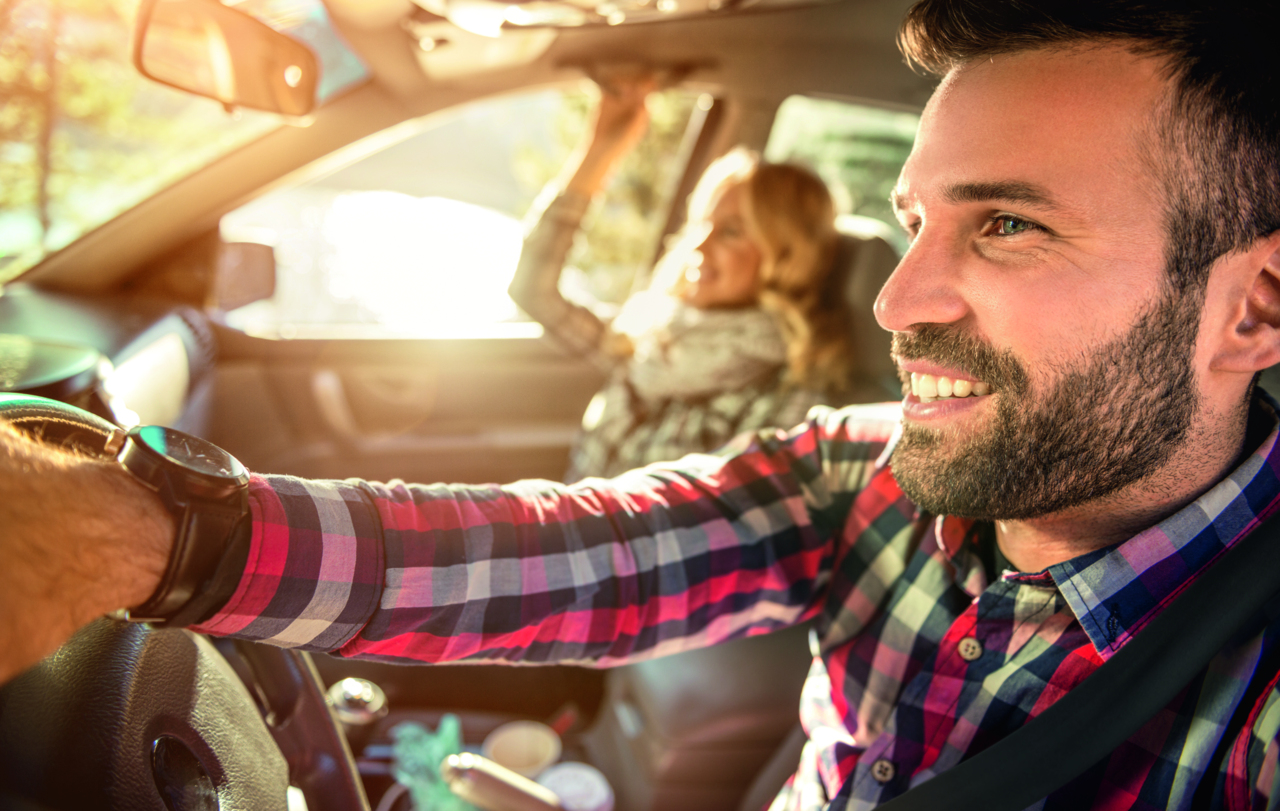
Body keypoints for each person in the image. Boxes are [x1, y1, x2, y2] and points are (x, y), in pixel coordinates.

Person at [4, 0, 1280, 808]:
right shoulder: (858, 476)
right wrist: (140, 536)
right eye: (913, 225)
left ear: (1253, 312)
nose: (896, 301)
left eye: (1006, 226)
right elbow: (569, 549)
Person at [509, 77, 866, 480]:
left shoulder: (788, 393)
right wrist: (600, 149)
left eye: (731, 231)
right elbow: (532, 289)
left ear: (784, 255)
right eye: (701, 222)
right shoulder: (651, 339)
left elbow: (740, 532)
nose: (700, 243)